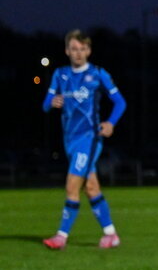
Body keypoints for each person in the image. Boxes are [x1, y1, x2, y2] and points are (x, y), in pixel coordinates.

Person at [41, 30, 126, 250]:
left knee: (72, 186)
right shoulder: (60, 75)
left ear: (88, 50)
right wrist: (53, 102)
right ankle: (111, 235)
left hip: (90, 139)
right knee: (91, 187)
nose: (78, 53)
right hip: (70, 139)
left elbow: (120, 102)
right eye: (74, 49)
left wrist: (110, 123)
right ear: (67, 50)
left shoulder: (98, 74)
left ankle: (61, 236)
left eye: (82, 49)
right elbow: (45, 103)